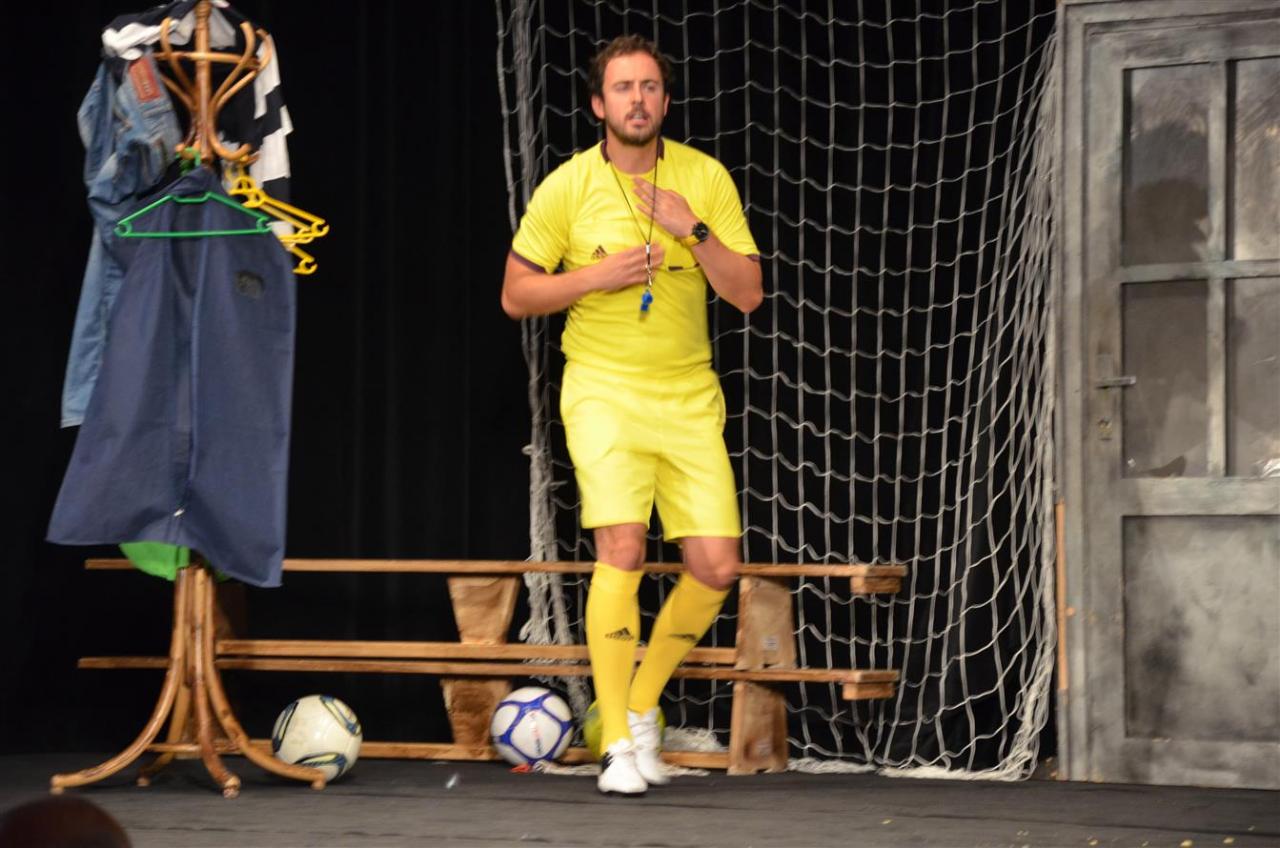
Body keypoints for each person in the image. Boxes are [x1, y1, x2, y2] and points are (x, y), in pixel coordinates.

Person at [501, 34, 762, 795]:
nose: (637, 99)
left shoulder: (704, 179)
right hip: (603, 390)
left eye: (649, 87)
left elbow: (747, 294)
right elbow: (516, 295)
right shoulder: (568, 187)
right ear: (598, 104)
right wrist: (593, 277)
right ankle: (616, 742)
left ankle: (642, 704)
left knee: (716, 567)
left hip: (686, 394)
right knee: (621, 547)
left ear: (665, 102)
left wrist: (693, 230)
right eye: (623, 88)